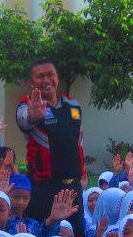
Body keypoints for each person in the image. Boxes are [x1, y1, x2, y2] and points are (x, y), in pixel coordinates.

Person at [16, 60, 85, 223]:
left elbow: (79, 141)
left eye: (50, 74)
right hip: (44, 189)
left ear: (57, 77)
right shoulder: (28, 105)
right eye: (40, 76)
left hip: (74, 188)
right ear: (32, 82)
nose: (46, 80)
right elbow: (24, 120)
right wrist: (33, 116)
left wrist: (83, 174)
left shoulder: (73, 104)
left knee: (76, 235)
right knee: (44, 234)